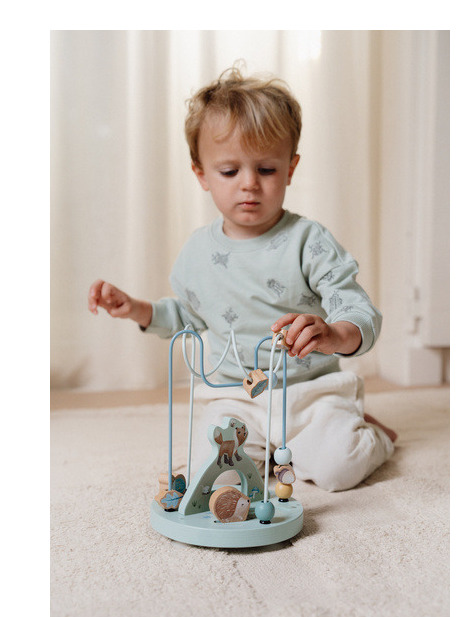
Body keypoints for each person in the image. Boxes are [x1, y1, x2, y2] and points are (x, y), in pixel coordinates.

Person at [88, 66, 395, 492]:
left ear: (290, 168)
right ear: (201, 175)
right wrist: (137, 309)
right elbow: (188, 316)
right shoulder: (197, 252)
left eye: (266, 169)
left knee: (338, 468)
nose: (249, 184)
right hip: (234, 396)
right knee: (215, 478)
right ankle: (269, 450)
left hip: (310, 395)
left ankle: (371, 434)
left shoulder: (309, 241)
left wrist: (335, 334)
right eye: (230, 172)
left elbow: (358, 309)